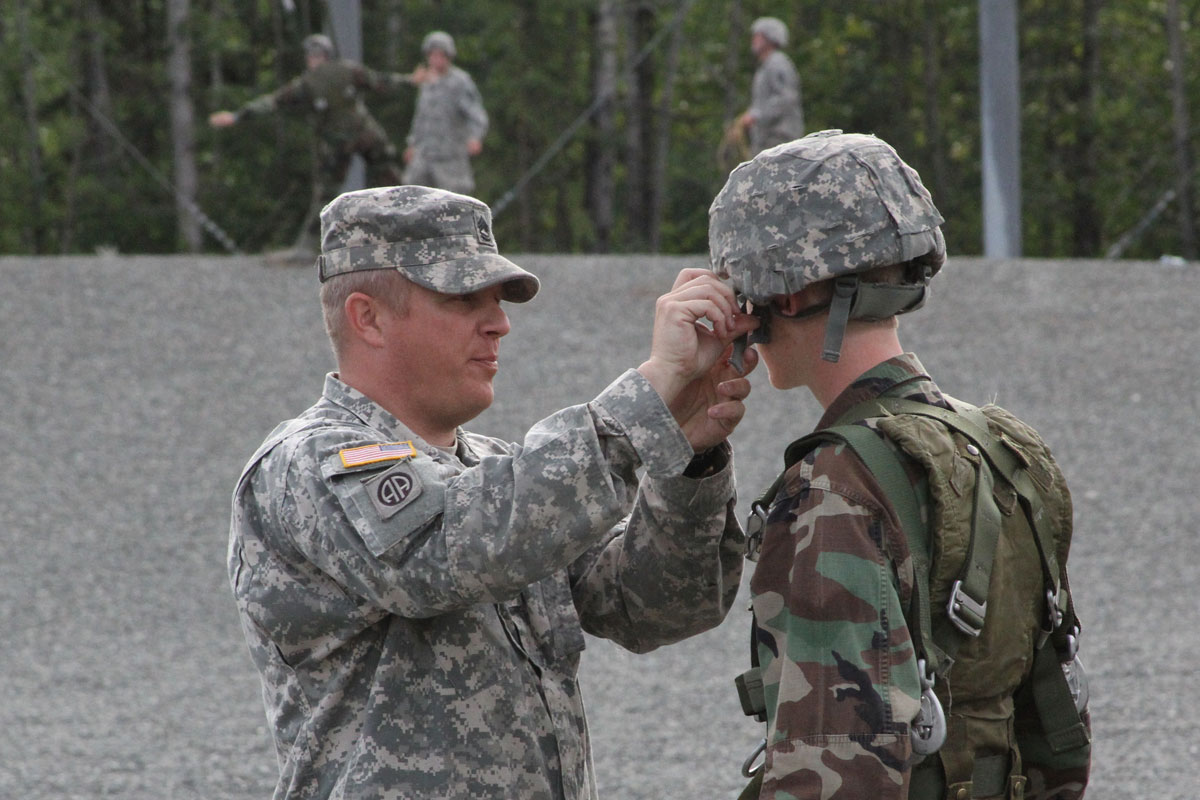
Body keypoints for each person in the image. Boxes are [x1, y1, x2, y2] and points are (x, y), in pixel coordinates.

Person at [228, 184, 761, 799]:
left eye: (498, 301)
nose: (500, 324)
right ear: (367, 317)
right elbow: (440, 551)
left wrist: (686, 458)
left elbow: (655, 605)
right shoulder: (307, 463)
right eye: (463, 299)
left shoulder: (497, 470)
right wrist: (638, 406)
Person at [709, 131, 1091, 799]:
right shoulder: (1009, 451)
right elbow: (1058, 726)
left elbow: (834, 774)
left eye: (742, 290)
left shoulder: (835, 486)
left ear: (786, 297)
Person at [209, 34, 421, 257]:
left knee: (327, 194)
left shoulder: (308, 83)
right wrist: (411, 80)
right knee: (391, 180)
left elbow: (273, 102)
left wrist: (238, 116)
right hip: (365, 135)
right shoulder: (347, 70)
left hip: (338, 143)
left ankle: (310, 246)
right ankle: (415, 227)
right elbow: (382, 82)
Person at [402, 31, 488, 195]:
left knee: (453, 199)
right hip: (425, 154)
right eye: (432, 55)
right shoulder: (427, 83)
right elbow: (421, 118)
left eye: (441, 55)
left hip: (450, 157)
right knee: (411, 195)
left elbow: (476, 114)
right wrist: (413, 144)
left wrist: (475, 137)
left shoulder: (459, 82)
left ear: (448, 57)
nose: (436, 59)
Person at [735, 17, 804, 156]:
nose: (754, 39)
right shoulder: (766, 65)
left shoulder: (777, 63)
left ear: (769, 38)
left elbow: (786, 98)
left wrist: (756, 115)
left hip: (779, 139)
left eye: (758, 36)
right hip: (767, 140)